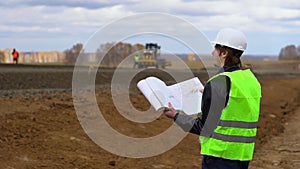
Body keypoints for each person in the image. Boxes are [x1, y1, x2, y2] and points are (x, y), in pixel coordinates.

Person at [163, 28, 261, 169]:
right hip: (242, 155)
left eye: (215, 49)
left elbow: (204, 128)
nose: (212, 53)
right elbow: (234, 108)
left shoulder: (218, 82)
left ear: (224, 53)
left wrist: (176, 116)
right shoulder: (250, 80)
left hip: (219, 157)